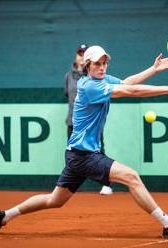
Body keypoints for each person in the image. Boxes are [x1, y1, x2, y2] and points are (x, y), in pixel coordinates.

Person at [0, 45, 168, 239]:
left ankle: (3, 216)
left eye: (104, 63)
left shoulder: (100, 80)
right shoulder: (88, 87)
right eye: (97, 64)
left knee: (54, 200)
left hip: (77, 154)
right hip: (84, 156)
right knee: (131, 177)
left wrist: (154, 69)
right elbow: (130, 92)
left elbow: (126, 82)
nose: (102, 67)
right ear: (87, 66)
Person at [64, 44, 113, 196]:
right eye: (79, 53)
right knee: (76, 154)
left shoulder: (97, 79)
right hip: (73, 122)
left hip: (91, 123)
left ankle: (106, 184)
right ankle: (70, 183)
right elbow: (67, 94)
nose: (101, 67)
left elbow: (128, 86)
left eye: (103, 63)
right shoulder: (70, 76)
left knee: (97, 150)